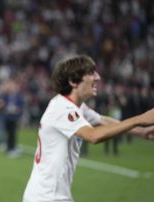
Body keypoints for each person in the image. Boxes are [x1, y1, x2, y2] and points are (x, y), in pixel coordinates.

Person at [23, 55, 154, 202]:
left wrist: (141, 132)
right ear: (73, 81)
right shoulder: (62, 109)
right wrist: (139, 119)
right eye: (91, 73)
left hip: (53, 195)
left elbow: (102, 120)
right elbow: (93, 136)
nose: (97, 77)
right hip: (47, 197)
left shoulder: (75, 106)